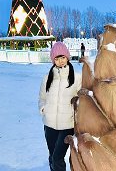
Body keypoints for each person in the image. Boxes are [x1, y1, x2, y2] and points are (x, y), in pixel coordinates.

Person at [38, 42, 82, 171]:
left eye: (62, 57)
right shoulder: (47, 78)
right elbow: (42, 98)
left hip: (67, 125)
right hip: (49, 124)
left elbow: (82, 100)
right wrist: (43, 109)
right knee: (52, 157)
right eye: (56, 59)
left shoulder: (77, 77)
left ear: (67, 57)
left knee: (57, 157)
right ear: (53, 60)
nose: (60, 61)